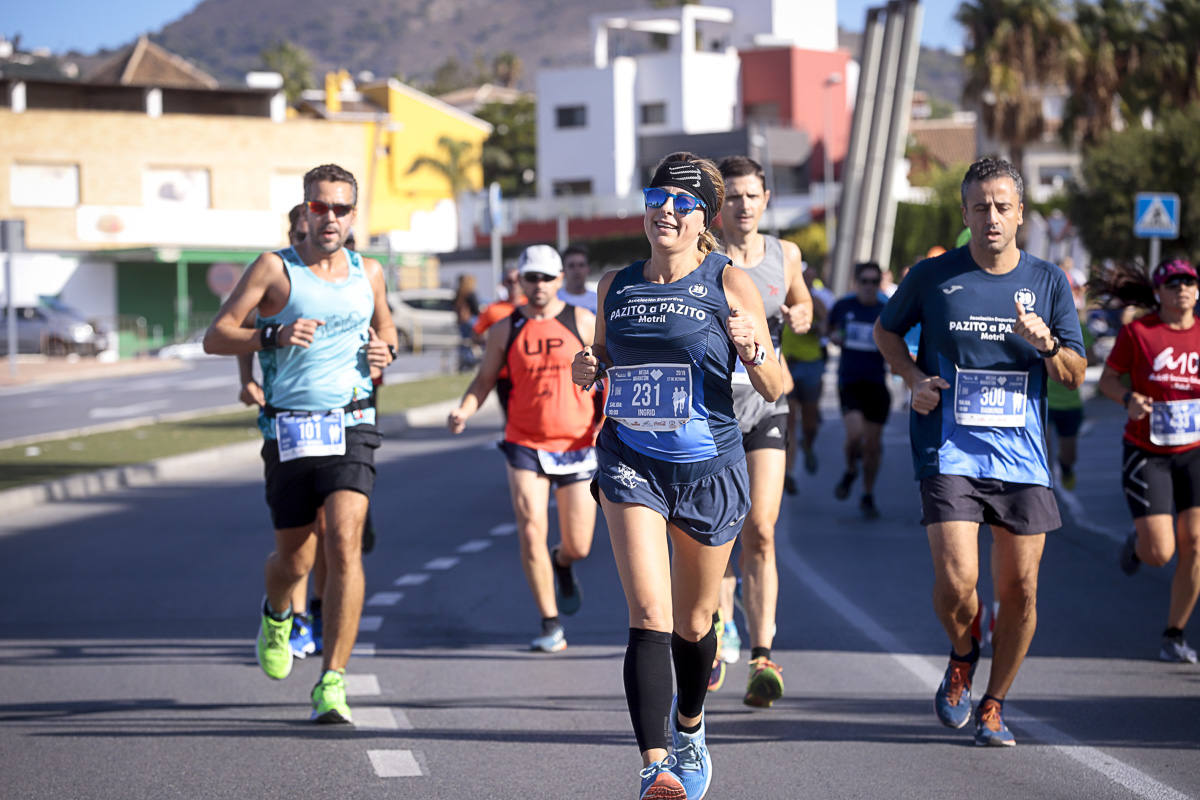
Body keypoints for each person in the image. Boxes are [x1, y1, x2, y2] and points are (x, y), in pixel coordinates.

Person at [572, 152, 782, 799]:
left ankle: (689, 726)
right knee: (650, 613)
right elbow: (602, 355)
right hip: (632, 463)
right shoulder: (618, 285)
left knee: (695, 624)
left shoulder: (728, 282)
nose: (665, 210)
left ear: (703, 219)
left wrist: (752, 347)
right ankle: (655, 763)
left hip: (708, 470)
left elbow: (775, 384)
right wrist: (589, 365)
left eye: (682, 203)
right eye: (656, 198)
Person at [874, 156, 1086, 747]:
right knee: (958, 579)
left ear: (1019, 213)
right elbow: (886, 332)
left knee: (1020, 590)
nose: (991, 217)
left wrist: (1046, 344)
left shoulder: (1048, 281)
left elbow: (1073, 372)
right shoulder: (934, 276)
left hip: (1022, 457)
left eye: (1002, 206)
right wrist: (913, 380)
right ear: (965, 213)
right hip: (950, 448)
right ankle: (964, 651)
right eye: (979, 207)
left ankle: (993, 703)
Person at [203, 163, 398, 724]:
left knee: (344, 540)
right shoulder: (274, 268)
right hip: (290, 428)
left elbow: (385, 329)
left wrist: (388, 350)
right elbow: (216, 335)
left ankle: (332, 681)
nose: (329, 217)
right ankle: (276, 610)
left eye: (340, 208)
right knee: (295, 557)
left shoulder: (372, 273)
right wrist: (273, 334)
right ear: (305, 209)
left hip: (352, 423)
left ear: (353, 214)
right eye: (320, 206)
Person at [448, 244, 600, 652]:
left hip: (577, 442)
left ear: (559, 281)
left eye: (546, 278)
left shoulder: (582, 322)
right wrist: (464, 410)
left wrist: (607, 425)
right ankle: (550, 623)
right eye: (530, 277)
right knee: (531, 527)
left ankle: (563, 562)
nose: (538, 286)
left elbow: (608, 377)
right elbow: (483, 380)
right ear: (520, 279)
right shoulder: (506, 327)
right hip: (525, 442)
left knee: (579, 545)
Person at [715, 154, 812, 708]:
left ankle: (762, 654)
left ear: (766, 199)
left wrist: (802, 315)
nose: (743, 205)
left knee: (762, 528)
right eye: (732, 196)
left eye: (752, 195)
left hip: (767, 401)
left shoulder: (785, 254)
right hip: (713, 410)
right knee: (719, 530)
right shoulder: (702, 257)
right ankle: (717, 621)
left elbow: (799, 303)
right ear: (719, 204)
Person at [1094, 258, 1200, 664]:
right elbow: (1108, 379)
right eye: (1173, 283)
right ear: (1158, 292)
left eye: (1190, 282)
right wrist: (1127, 398)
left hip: (1194, 452)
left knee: (1195, 543)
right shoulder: (1139, 333)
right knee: (1161, 552)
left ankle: (1174, 633)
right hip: (1148, 452)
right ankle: (1139, 546)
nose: (1183, 289)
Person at [829, 261, 891, 518]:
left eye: (874, 282)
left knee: (873, 445)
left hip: (876, 383)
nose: (869, 287)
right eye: (864, 281)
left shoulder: (887, 309)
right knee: (855, 436)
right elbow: (829, 329)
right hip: (850, 381)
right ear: (856, 283)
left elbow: (901, 337)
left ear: (880, 284)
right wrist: (834, 337)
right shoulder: (844, 306)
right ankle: (850, 470)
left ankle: (867, 493)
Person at [782, 267, 833, 489]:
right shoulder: (782, 300)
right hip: (789, 365)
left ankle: (809, 445)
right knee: (790, 421)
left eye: (810, 279)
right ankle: (789, 472)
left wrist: (812, 327)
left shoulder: (816, 302)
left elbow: (826, 329)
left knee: (810, 422)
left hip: (811, 365)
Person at [453, 274, 481, 370]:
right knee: (474, 341)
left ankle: (465, 360)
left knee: (465, 342)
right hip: (471, 320)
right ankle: (472, 361)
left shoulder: (458, 293)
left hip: (461, 321)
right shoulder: (470, 293)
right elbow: (476, 308)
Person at [559, 244, 598, 313]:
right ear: (563, 270)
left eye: (581, 265)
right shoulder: (555, 299)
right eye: (571, 266)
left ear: (588, 269)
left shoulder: (599, 300)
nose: (577, 270)